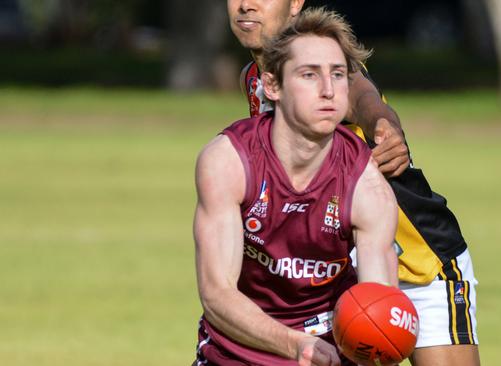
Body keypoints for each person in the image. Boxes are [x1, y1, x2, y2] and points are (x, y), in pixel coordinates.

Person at [226, 2, 481, 366]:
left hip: (420, 264)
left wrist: (384, 126)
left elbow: (364, 97)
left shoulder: (328, 71)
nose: (246, 4)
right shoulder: (254, 79)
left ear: (295, 3)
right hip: (337, 272)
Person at [193, 9, 398, 366]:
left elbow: (379, 304)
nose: (328, 90)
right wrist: (295, 345)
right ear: (272, 85)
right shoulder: (227, 162)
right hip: (238, 352)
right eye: (309, 75)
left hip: (329, 353)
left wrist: (378, 342)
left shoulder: (368, 188)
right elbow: (216, 295)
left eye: (337, 75)